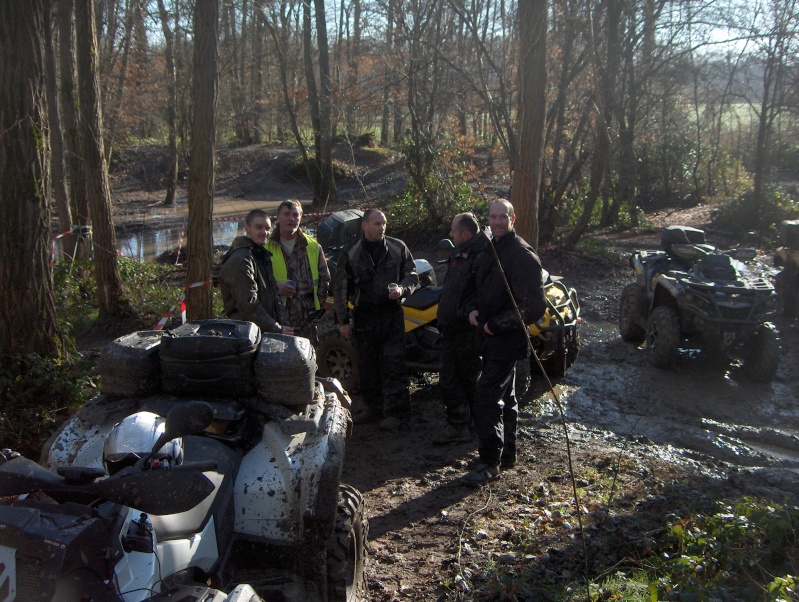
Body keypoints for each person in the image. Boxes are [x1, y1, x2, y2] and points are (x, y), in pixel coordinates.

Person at [465, 199, 547, 483]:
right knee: (507, 397)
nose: (497, 222)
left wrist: (494, 326)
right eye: (493, 217)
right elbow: (480, 286)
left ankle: (489, 462)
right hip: (488, 337)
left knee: (486, 395)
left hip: (505, 339)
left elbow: (534, 306)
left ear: (513, 218)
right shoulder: (492, 248)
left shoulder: (522, 255)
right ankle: (506, 454)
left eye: (503, 217)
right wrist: (473, 310)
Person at [333, 209, 419, 431]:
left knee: (394, 364)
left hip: (391, 314)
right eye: (377, 223)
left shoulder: (398, 247)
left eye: (384, 223)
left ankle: (399, 413)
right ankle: (373, 408)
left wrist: (402, 289)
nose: (382, 227)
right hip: (364, 316)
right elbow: (341, 288)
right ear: (364, 225)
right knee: (367, 365)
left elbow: (412, 275)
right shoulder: (350, 252)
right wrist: (343, 320)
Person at [434, 212, 488, 445]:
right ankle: (467, 423)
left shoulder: (480, 256)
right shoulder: (463, 250)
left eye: (454, 231)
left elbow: (480, 292)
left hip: (464, 329)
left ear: (465, 234)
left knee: (459, 378)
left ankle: (461, 425)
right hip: (452, 326)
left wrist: (467, 311)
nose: (450, 234)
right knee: (456, 377)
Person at [266, 200, 331, 344]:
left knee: (309, 361)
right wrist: (275, 288)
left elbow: (324, 279)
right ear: (278, 217)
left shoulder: (313, 246)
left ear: (301, 217)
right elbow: (256, 283)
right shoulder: (265, 246)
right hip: (277, 320)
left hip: (307, 320)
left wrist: (317, 308)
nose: (291, 219)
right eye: (286, 214)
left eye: (296, 215)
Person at [219, 209, 293, 335]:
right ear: (247, 229)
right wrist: (276, 328)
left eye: (267, 228)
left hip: (265, 331)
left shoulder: (260, 255)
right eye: (258, 227)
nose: (264, 232)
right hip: (246, 335)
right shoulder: (241, 259)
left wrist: (283, 326)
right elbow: (248, 304)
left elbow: (274, 296)